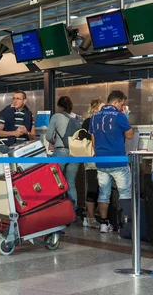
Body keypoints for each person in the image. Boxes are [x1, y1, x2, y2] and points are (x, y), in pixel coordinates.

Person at [89, 90, 133, 233]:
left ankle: (104, 223)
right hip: (118, 161)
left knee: (104, 193)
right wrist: (126, 116)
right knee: (125, 193)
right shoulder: (120, 116)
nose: (122, 107)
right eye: (122, 104)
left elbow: (93, 139)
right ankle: (124, 226)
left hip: (101, 161)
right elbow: (130, 135)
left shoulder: (94, 117)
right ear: (116, 102)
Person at [45, 96, 82, 216]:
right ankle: (73, 210)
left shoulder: (56, 117)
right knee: (71, 182)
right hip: (76, 153)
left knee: (57, 181)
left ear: (59, 106)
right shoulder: (78, 118)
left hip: (61, 151)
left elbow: (48, 136)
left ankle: (57, 211)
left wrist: (54, 140)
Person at [79, 98, 105, 229]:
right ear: (95, 110)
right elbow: (83, 135)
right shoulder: (89, 121)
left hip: (99, 158)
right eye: (102, 108)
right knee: (93, 187)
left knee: (99, 188)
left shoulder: (103, 121)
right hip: (91, 158)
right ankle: (89, 217)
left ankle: (91, 216)